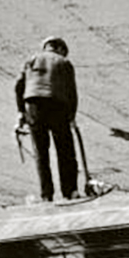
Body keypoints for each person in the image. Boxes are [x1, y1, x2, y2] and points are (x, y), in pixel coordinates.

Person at [14, 35, 79, 200]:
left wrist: (21, 112)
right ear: (60, 48)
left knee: (41, 153)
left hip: (33, 106)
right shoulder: (64, 63)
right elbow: (72, 92)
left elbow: (18, 86)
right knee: (65, 151)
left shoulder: (31, 60)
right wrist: (71, 116)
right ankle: (70, 191)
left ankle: (46, 195)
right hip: (57, 105)